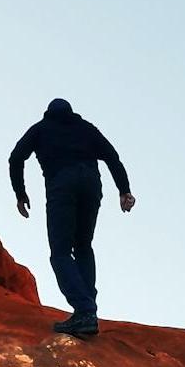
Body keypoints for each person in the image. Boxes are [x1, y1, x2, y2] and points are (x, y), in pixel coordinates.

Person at [9, 98, 135, 337]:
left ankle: (84, 311)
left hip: (61, 183)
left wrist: (20, 193)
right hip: (90, 183)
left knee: (60, 252)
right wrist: (124, 190)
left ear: (48, 113)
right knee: (84, 246)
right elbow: (112, 156)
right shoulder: (85, 128)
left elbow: (16, 158)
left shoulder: (40, 129)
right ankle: (89, 312)